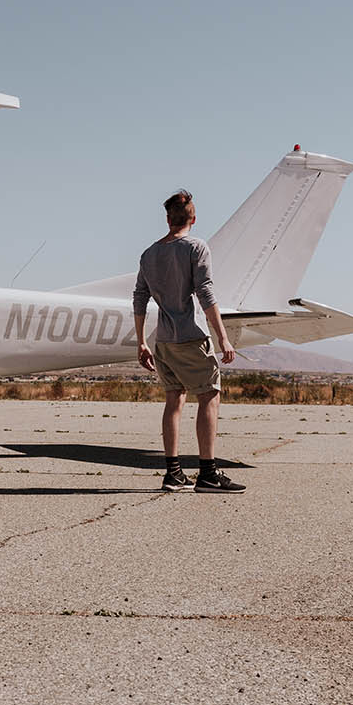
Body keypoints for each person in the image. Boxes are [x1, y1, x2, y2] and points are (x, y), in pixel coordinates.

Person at [132, 189, 245, 494]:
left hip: (163, 341)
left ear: (168, 218)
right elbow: (205, 292)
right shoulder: (196, 247)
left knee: (174, 399)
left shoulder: (149, 254)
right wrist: (223, 337)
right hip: (191, 337)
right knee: (209, 395)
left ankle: (173, 473)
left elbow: (140, 298)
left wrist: (141, 341)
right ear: (193, 219)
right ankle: (208, 473)